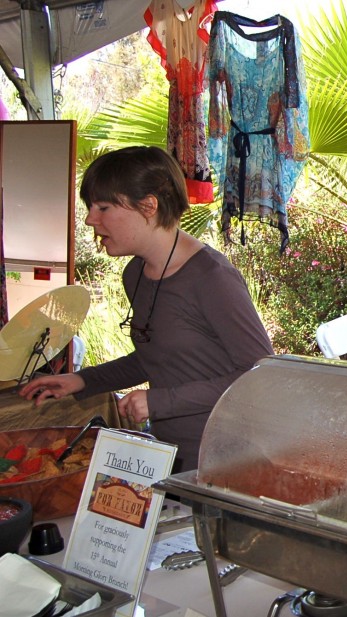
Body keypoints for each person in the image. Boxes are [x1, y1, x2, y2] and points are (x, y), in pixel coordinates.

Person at [19, 146, 273, 473]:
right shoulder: (135, 273)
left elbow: (259, 375)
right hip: (171, 456)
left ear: (148, 206)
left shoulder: (212, 278)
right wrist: (81, 381)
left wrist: (158, 402)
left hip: (229, 461)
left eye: (103, 207)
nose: (90, 219)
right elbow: (157, 357)